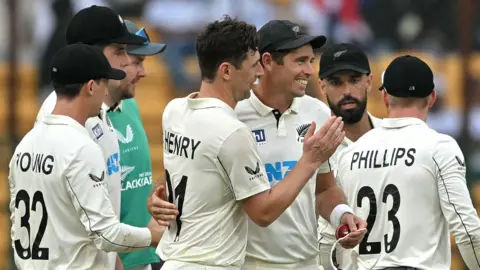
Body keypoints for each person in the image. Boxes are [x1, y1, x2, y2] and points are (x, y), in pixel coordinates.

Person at [148, 19, 367, 270]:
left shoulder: (316, 112)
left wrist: (342, 215)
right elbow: (185, 176)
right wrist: (156, 198)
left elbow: (324, 189)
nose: (309, 71)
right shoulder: (230, 117)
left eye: (311, 61)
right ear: (266, 62)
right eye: (300, 61)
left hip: (306, 262)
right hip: (245, 264)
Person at [9, 43, 161, 270]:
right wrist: (153, 235)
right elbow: (106, 234)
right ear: (91, 87)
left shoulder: (25, 145)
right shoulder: (82, 148)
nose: (106, 92)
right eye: (104, 83)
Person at [335, 55, 480, 269]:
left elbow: (330, 237)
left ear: (385, 97)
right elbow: (467, 231)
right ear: (431, 98)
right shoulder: (438, 147)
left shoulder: (349, 154)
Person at [316, 43, 382, 270]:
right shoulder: (313, 147)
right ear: (322, 86)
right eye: (336, 82)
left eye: (354, 79)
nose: (347, 91)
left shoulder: (393, 138)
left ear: (369, 82)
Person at [107, 19, 166, 270]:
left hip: (144, 256)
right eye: (138, 62)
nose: (145, 72)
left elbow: (131, 182)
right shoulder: (87, 119)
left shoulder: (128, 102)